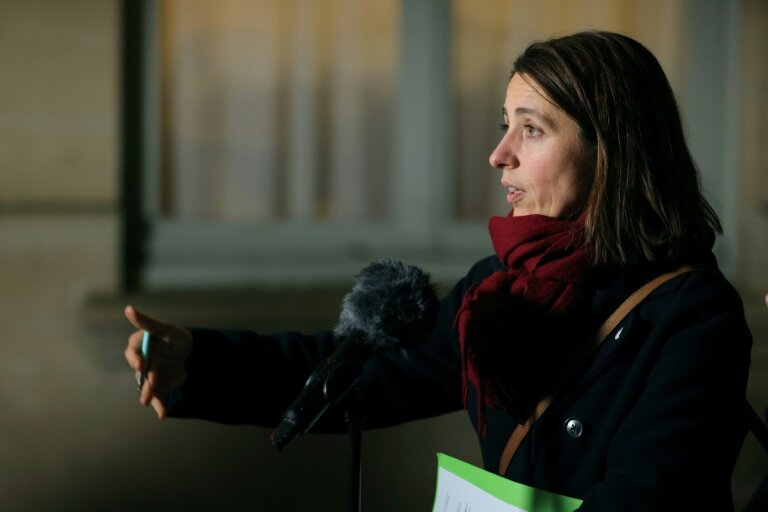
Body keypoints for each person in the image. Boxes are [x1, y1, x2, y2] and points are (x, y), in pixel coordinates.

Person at [124, 31, 752, 510]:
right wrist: (199, 363)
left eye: (531, 130)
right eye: (505, 126)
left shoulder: (692, 314)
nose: (498, 154)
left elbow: (654, 495)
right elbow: (357, 373)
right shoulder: (499, 287)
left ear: (611, 149)